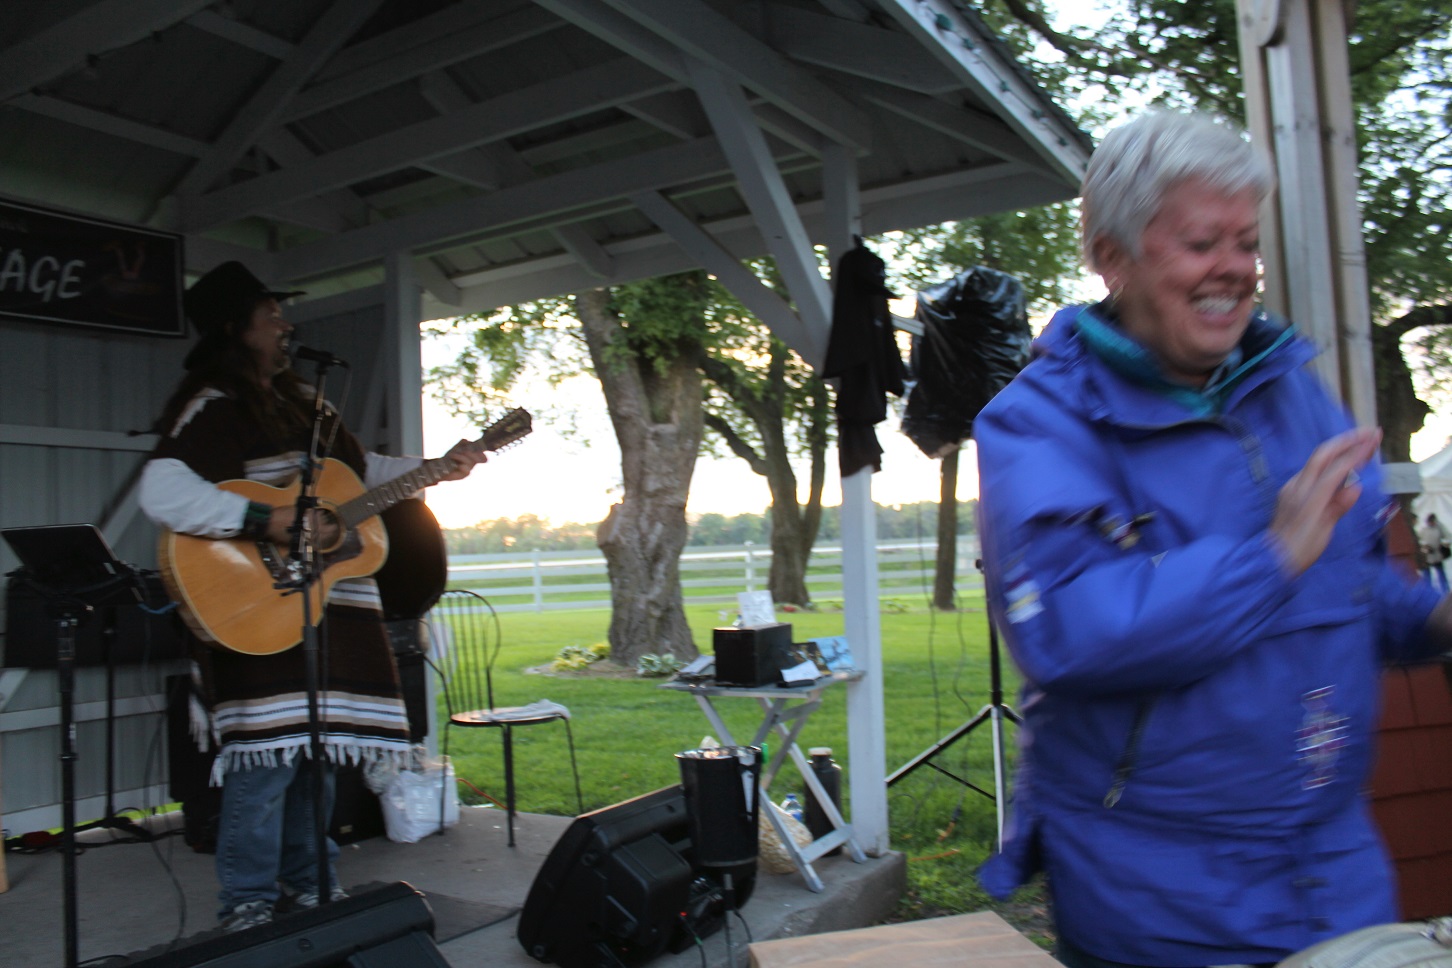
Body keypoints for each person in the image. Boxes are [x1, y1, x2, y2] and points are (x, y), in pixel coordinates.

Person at [973, 111, 1452, 967]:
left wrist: (1434, 619)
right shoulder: (1039, 423)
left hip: (1336, 875)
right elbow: (1068, 630)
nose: (1235, 267)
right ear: (1113, 257)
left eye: (1247, 242)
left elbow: (1345, 583)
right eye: (1202, 243)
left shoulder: (1291, 390)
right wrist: (1269, 560)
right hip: (1164, 899)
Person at [139, 261, 487, 932]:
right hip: (260, 603)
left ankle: (313, 888)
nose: (286, 324)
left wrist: (435, 469)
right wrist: (263, 520)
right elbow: (163, 490)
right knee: (266, 763)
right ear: (234, 329)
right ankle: (247, 903)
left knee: (318, 760)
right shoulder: (212, 404)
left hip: (331, 607)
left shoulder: (309, 403)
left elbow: (359, 475)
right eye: (271, 315)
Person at [1418, 513, 1450, 591]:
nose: (1431, 523)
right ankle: (1427, 591)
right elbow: (1418, 540)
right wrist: (1424, 546)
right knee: (1427, 575)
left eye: (1433, 521)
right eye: (1430, 522)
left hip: (1437, 555)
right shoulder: (1423, 528)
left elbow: (1448, 537)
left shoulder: (1439, 527)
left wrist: (1445, 543)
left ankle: (1445, 591)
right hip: (1426, 555)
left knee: (1441, 574)